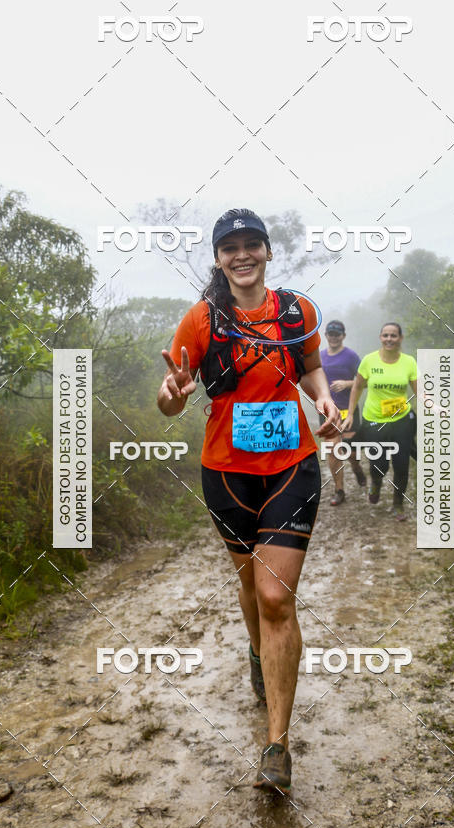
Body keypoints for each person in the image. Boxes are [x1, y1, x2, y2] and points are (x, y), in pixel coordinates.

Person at [157, 209, 340, 794]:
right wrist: (171, 395)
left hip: (291, 467)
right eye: (229, 247)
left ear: (267, 251)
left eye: (251, 245)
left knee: (274, 595)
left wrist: (324, 402)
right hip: (226, 474)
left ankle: (276, 745)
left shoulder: (297, 311)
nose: (242, 255)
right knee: (249, 585)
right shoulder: (201, 320)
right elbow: (172, 399)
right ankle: (259, 656)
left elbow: (310, 367)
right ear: (217, 258)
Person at [343, 322, 417, 521]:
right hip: (374, 420)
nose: (389, 339)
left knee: (401, 464)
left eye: (393, 335)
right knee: (380, 463)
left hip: (401, 420)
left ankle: (398, 504)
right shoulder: (369, 360)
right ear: (380, 338)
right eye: (385, 335)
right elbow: (357, 387)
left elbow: (420, 392)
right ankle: (376, 482)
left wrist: (434, 407)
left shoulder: (409, 362)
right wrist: (350, 414)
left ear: (400, 338)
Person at [320, 319, 367, 505]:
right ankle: (339, 490)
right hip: (328, 411)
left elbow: (367, 381)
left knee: (350, 450)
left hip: (349, 410)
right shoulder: (320, 356)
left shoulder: (351, 356)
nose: (333, 337)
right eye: (330, 334)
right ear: (326, 336)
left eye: (337, 334)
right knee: (332, 449)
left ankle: (356, 468)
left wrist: (348, 383)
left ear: (343, 336)